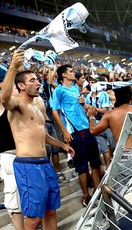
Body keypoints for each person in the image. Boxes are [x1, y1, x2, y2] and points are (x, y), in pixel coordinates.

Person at [1, 49, 75, 229]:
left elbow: (41, 133)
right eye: (32, 80)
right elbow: (5, 98)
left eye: (37, 79)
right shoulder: (16, 104)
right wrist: (12, 67)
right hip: (28, 165)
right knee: (33, 219)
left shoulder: (39, 103)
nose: (38, 82)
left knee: (51, 211)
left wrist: (61, 145)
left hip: (44, 162)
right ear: (21, 86)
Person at [51, 64, 102, 207]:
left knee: (96, 164)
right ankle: (86, 196)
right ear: (64, 75)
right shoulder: (59, 91)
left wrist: (84, 105)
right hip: (74, 132)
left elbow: (79, 105)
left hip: (87, 129)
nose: (74, 73)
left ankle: (98, 192)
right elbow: (55, 111)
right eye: (71, 72)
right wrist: (64, 131)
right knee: (82, 167)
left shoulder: (75, 88)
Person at [0, 81, 23, 229]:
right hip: (10, 157)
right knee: (15, 200)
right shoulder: (3, 107)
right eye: (15, 88)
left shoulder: (22, 107)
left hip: (26, 156)